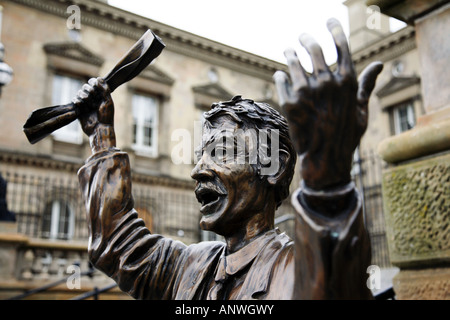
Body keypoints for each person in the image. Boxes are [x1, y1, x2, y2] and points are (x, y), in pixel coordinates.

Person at [75, 19, 383, 300]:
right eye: (200, 156)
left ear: (274, 165)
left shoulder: (297, 270)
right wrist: (101, 136)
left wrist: (327, 181)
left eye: (221, 153)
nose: (197, 171)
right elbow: (118, 246)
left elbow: (331, 286)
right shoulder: (188, 266)